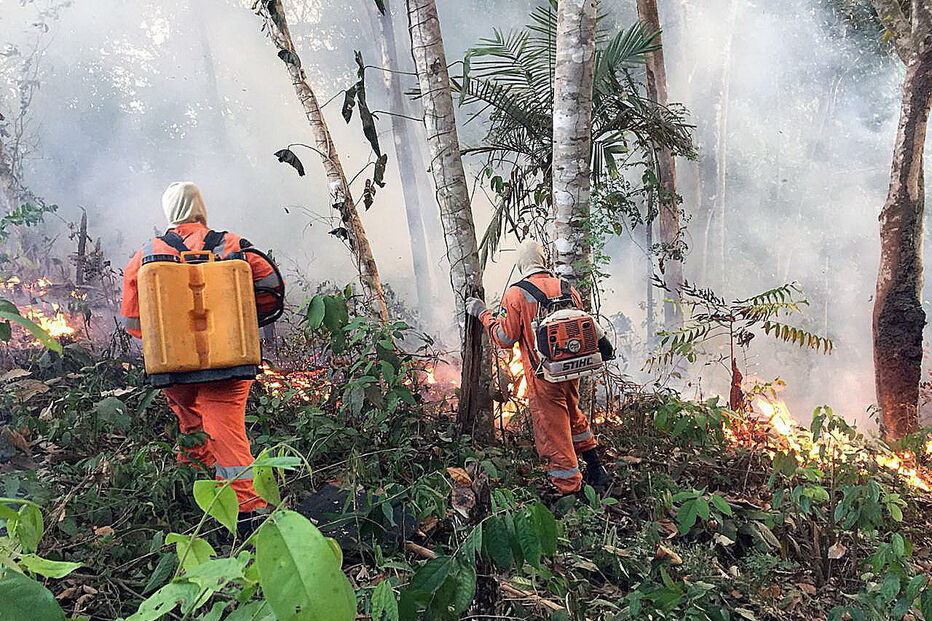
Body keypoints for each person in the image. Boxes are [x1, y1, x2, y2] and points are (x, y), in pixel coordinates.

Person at [121, 182, 282, 526]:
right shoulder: (234, 245)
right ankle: (247, 512)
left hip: (173, 368)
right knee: (227, 435)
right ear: (200, 206)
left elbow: (134, 321)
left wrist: (171, 339)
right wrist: (241, 320)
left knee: (192, 428)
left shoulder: (146, 254)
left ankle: (194, 502)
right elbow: (271, 290)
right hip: (231, 364)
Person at [466, 240, 609, 498]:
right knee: (573, 415)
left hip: (543, 375)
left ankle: (570, 492)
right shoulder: (567, 288)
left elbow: (505, 338)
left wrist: (483, 314)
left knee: (553, 431)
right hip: (571, 368)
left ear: (521, 264)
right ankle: (596, 468)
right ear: (544, 259)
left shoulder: (516, 294)